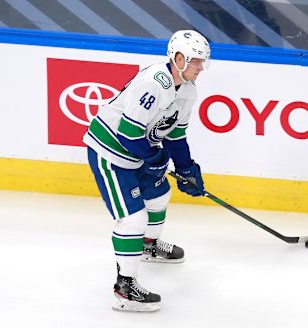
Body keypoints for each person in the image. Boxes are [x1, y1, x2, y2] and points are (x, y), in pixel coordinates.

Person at [83, 30, 211, 312]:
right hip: (111, 153)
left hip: (139, 153)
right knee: (132, 220)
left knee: (159, 196)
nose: (201, 67)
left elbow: (176, 135)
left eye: (203, 61)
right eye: (196, 61)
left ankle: (148, 246)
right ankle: (125, 288)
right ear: (179, 58)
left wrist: (187, 167)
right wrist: (154, 158)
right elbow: (128, 133)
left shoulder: (188, 91)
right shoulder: (155, 83)